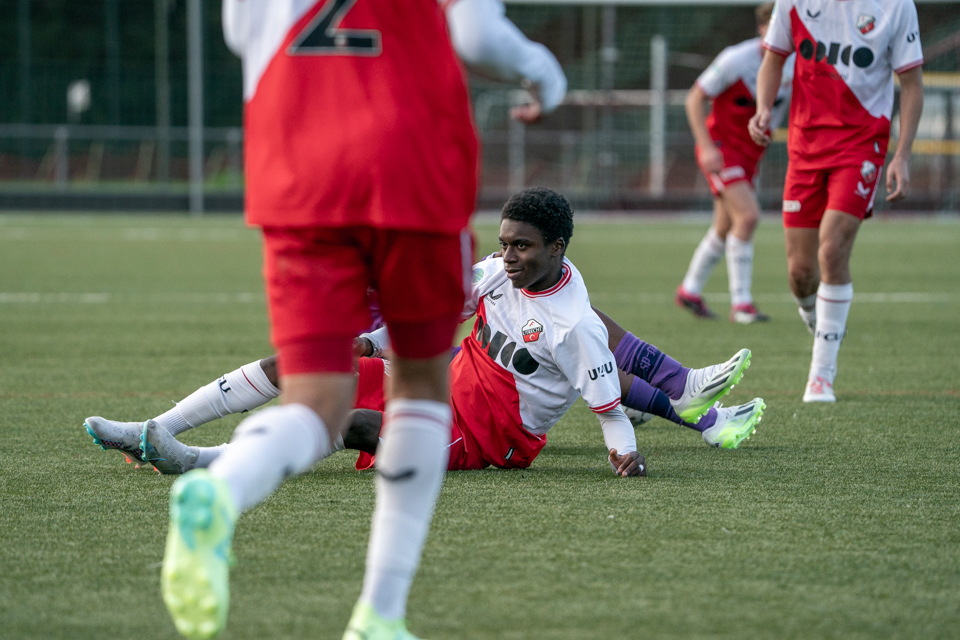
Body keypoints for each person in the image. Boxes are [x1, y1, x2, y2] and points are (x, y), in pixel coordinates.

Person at [149, 1, 485, 639]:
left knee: (313, 404)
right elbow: (479, 34)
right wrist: (541, 74)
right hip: (413, 173)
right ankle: (380, 613)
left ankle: (224, 491)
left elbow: (241, 35)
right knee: (421, 389)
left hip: (298, 177)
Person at [86, 191, 765, 478]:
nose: (508, 256)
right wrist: (375, 345)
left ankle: (200, 462)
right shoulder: (497, 274)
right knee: (300, 362)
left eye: (523, 246)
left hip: (484, 437)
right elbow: (432, 319)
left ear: (558, 247)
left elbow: (611, 405)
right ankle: (157, 428)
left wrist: (628, 456)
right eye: (505, 243)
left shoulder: (575, 324)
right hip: (434, 383)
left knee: (353, 424)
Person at [748, 0, 924, 402]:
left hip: (861, 144)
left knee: (832, 249)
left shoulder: (896, 7)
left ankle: (821, 376)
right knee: (800, 273)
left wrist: (902, 155)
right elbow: (773, 60)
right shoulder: (794, 3)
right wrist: (762, 110)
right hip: (805, 147)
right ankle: (819, 321)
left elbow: (912, 84)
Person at [676, 3, 794, 324]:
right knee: (748, 216)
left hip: (750, 155)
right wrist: (706, 147)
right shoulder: (736, 59)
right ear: (761, 29)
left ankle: (689, 290)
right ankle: (741, 304)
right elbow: (694, 98)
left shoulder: (796, 62)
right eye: (775, 26)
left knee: (725, 225)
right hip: (721, 149)